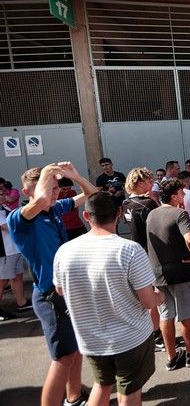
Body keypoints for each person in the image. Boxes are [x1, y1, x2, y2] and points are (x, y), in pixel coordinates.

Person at [53, 191, 164, 406]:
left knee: (102, 384)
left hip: (90, 338)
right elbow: (149, 301)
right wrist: (159, 297)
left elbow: (60, 290)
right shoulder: (129, 249)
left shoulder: (64, 251)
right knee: (130, 390)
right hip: (130, 337)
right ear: (119, 213)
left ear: (86, 216)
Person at [8, 162, 98, 406]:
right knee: (62, 358)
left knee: (76, 349)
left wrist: (74, 176)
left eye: (57, 189)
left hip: (67, 290)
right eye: (48, 189)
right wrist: (49, 171)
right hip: (49, 296)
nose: (54, 193)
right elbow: (39, 202)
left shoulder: (56, 208)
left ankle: (74, 397)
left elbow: (93, 195)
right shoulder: (19, 218)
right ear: (27, 193)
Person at [146, 179, 190, 371]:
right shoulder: (180, 213)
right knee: (186, 314)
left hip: (158, 273)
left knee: (166, 315)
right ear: (174, 195)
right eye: (182, 194)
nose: (184, 197)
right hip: (181, 272)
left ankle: (172, 357)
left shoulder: (152, 214)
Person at [122, 167, 164, 351]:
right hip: (150, 253)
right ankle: (157, 335)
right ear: (140, 183)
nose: (152, 183)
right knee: (154, 297)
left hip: (135, 254)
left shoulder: (125, 204)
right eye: (149, 180)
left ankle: (151, 333)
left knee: (143, 295)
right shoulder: (148, 204)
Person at [0, 205, 31, 320]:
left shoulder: (5, 207)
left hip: (15, 249)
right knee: (2, 281)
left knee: (18, 277)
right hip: (5, 252)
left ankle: (22, 303)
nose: (3, 195)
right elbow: (8, 227)